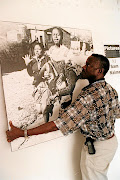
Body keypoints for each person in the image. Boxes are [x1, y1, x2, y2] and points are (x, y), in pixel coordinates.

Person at [6, 53, 120, 180]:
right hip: (111, 143)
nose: (83, 67)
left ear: (99, 71)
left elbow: (58, 124)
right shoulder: (110, 89)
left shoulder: (88, 96)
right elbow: (116, 113)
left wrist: (23, 132)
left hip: (98, 149)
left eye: (88, 65)